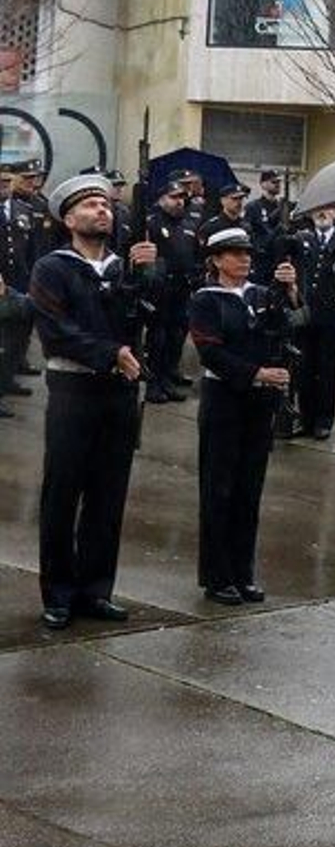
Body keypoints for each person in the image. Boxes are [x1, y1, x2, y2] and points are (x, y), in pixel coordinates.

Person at [29, 174, 160, 629]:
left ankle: (95, 589)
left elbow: (152, 319)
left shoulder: (124, 268)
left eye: (105, 204)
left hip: (118, 394)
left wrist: (149, 275)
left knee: (109, 495)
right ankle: (59, 593)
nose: (101, 210)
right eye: (89, 205)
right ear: (68, 218)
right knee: (63, 494)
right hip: (74, 391)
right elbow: (56, 331)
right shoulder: (53, 268)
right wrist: (112, 353)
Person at [188, 226, 303, 604]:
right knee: (219, 488)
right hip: (224, 398)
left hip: (258, 402)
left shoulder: (261, 294)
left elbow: (290, 327)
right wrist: (256, 373)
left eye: (247, 253)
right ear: (217, 260)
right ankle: (217, 576)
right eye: (235, 253)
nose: (244, 259)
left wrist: (290, 292)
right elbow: (210, 352)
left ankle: (242, 572)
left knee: (249, 489)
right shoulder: (207, 300)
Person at [145, 176, 203, 405]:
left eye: (182, 198)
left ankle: (168, 379)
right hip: (160, 290)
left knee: (176, 337)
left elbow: (196, 254)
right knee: (157, 338)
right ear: (161, 199)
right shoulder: (151, 223)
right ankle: (153, 383)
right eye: (174, 197)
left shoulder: (189, 224)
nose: (179, 202)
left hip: (182, 289)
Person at [291, 205, 335, 439]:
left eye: (328, 208)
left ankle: (324, 420)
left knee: (326, 370)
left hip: (330, 314)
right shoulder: (301, 238)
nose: (322, 213)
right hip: (305, 313)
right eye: (318, 209)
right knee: (304, 369)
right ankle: (306, 418)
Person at [0, 164, 42, 410]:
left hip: (20, 282)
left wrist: (35, 280)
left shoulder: (24, 210)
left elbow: (34, 250)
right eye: (0, 182)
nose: (4, 186)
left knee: (16, 339)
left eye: (7, 181)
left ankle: (7, 381)